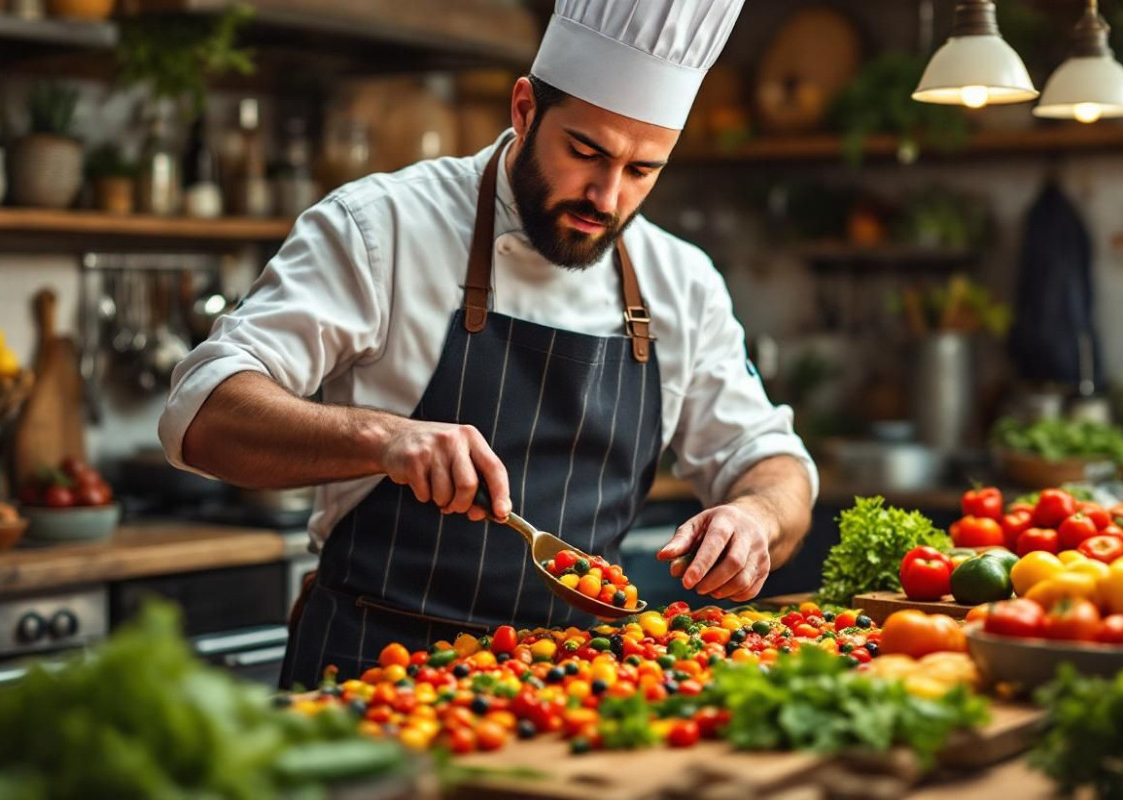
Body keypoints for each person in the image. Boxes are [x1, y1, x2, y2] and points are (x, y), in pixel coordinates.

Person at [158, 0, 817, 690]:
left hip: (577, 687)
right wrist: (385, 439)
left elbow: (771, 461)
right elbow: (202, 413)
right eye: (585, 153)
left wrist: (756, 516)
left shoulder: (681, 281)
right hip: (372, 672)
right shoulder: (380, 227)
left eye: (642, 171)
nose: (606, 196)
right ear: (525, 110)